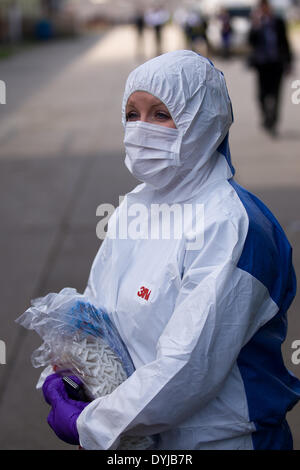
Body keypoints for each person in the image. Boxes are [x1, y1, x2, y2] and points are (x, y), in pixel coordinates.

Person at [42, 50, 300, 450]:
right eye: (132, 114)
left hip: (224, 440)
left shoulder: (230, 225)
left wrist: (92, 423)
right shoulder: (135, 207)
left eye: (160, 115)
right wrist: (70, 367)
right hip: (140, 440)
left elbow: (187, 368)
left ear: (204, 122)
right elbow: (98, 312)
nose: (141, 130)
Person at [248, 0, 293, 136]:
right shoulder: (257, 24)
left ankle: (273, 121)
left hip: (276, 63)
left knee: (276, 94)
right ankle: (265, 116)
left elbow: (285, 42)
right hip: (262, 64)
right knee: (261, 94)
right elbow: (250, 41)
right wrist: (256, 25)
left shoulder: (278, 22)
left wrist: (289, 62)